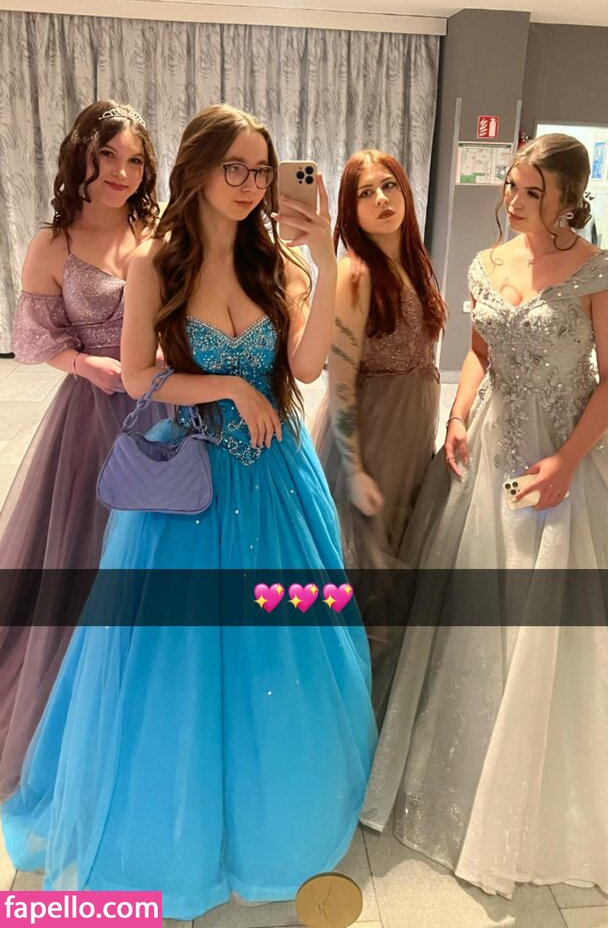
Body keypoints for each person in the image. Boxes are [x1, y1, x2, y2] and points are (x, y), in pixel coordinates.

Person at [2, 104, 376, 920]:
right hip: (189, 483)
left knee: (279, 644)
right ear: (198, 169)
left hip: (275, 482)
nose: (248, 184)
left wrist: (323, 259)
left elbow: (306, 366)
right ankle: (174, 830)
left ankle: (278, 813)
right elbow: (139, 375)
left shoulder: (277, 262)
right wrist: (232, 385)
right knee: (173, 660)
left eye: (259, 170)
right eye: (232, 167)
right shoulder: (158, 261)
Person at [361, 134, 608, 896]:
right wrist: (460, 413)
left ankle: (534, 779)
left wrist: (567, 461)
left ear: (569, 198)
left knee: (542, 611)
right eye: (511, 185)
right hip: (490, 452)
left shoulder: (596, 270)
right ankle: (468, 758)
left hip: (560, 453)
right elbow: (477, 352)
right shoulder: (486, 261)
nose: (514, 200)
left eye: (533, 191)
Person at [0, 100, 164, 800]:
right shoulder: (54, 243)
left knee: (155, 542)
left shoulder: (157, 230)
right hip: (93, 411)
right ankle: (70, 690)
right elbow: (34, 337)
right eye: (108, 157)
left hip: (163, 406)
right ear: (82, 158)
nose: (122, 173)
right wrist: (81, 364)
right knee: (85, 546)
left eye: (135, 161)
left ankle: (144, 685)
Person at [313, 150, 445, 720]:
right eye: (365, 193)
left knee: (396, 561)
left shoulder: (414, 261)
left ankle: (377, 714)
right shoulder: (355, 273)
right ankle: (349, 720)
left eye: (389, 186)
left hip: (412, 429)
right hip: (373, 435)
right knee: (369, 577)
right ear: (350, 209)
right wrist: (356, 468)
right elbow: (339, 381)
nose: (382, 200)